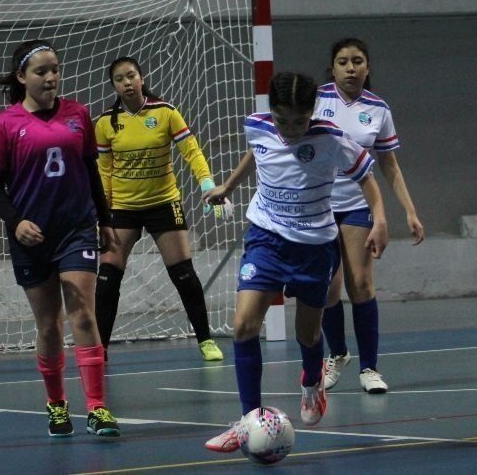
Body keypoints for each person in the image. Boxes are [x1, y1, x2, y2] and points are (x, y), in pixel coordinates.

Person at [202, 72, 388, 453]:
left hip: (314, 245)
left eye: (298, 122)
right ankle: (247, 419)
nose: (290, 130)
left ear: (311, 114)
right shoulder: (257, 125)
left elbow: (367, 176)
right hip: (266, 237)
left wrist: (380, 219)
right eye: (282, 120)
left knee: (307, 334)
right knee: (242, 327)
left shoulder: (331, 138)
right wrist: (229, 186)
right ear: (271, 112)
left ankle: (310, 380)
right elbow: (258, 151)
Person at [0, 39, 120, 438]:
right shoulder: (6, 124)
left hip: (76, 228)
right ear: (23, 77)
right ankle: (57, 405)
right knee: (49, 326)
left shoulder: (78, 115)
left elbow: (90, 170)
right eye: (41, 71)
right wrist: (16, 222)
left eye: (55, 68)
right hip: (32, 235)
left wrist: (104, 221)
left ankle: (97, 407)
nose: (51, 77)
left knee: (84, 315)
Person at [93, 56, 229, 362]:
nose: (126, 83)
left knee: (184, 273)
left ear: (141, 78)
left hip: (163, 203)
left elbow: (191, 151)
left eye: (131, 76)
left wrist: (207, 184)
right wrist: (102, 215)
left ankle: (206, 339)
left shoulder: (165, 112)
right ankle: (99, 348)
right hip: (123, 208)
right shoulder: (104, 123)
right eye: (119, 79)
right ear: (114, 85)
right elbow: (103, 171)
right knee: (108, 277)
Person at [315, 38, 425, 394]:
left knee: (360, 284)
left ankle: (369, 368)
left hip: (359, 205)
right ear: (332, 68)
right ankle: (338, 354)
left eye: (357, 61)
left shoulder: (378, 109)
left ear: (368, 67)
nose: (351, 68)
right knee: (328, 290)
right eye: (343, 62)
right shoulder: (317, 100)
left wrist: (409, 210)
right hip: (319, 206)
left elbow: (390, 165)